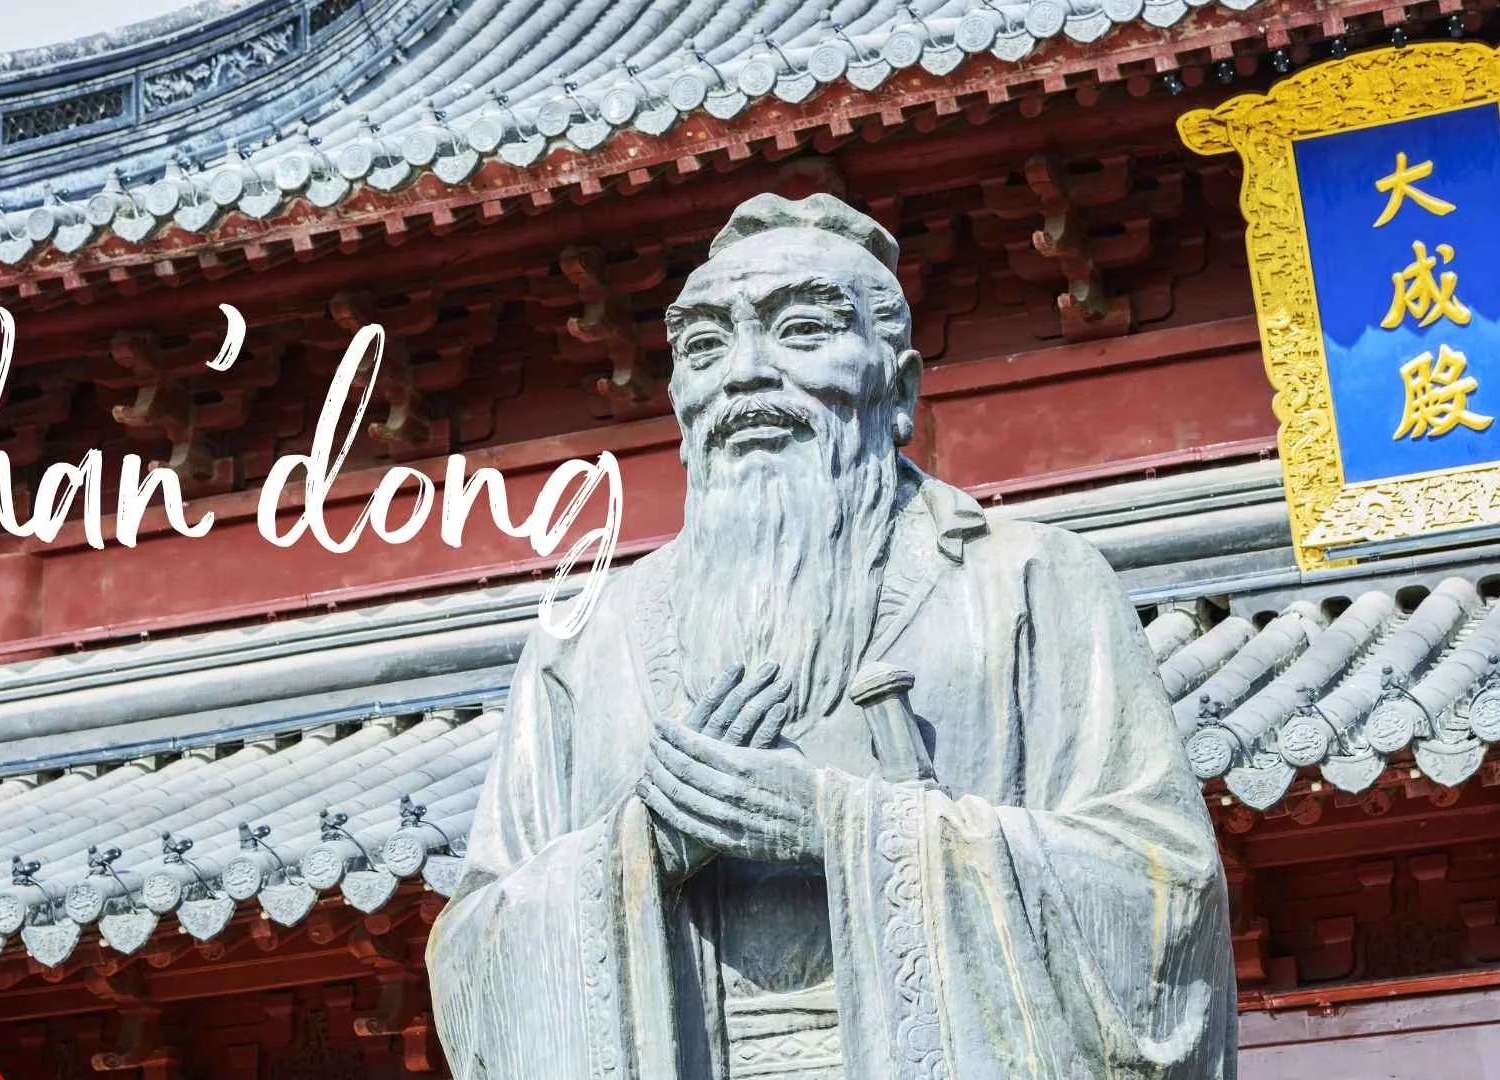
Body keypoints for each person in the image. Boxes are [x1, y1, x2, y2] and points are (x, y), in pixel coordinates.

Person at [428, 192, 1236, 1079]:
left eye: (801, 331)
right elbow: (473, 954)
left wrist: (839, 825)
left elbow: (1164, 893)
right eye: (705, 347)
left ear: (900, 389)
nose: (744, 374)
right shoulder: (583, 643)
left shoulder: (1033, 586)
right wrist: (639, 853)